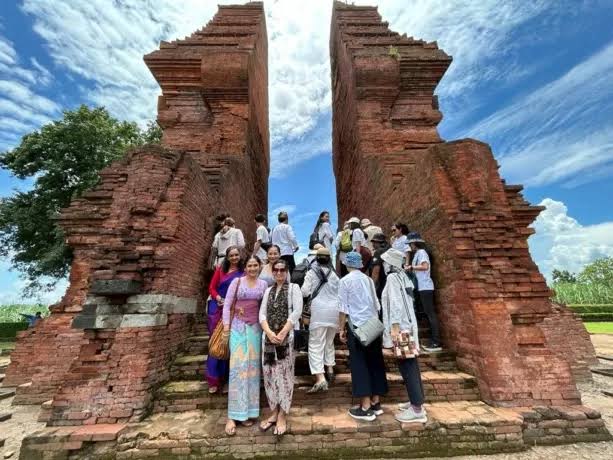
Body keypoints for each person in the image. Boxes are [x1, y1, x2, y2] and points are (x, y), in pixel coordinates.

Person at [338, 251, 388, 422]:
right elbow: (377, 303)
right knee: (375, 362)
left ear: (347, 265)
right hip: (372, 325)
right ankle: (376, 402)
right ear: (360, 265)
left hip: (357, 326)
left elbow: (344, 308)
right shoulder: (368, 279)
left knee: (359, 363)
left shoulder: (344, 281)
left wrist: (341, 328)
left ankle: (365, 407)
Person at [222, 255, 268, 436]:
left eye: (255, 265)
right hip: (237, 328)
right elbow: (227, 305)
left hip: (255, 329)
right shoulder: (237, 282)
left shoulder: (263, 284)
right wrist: (226, 327)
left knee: (252, 371)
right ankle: (232, 415)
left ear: (259, 266)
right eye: (249, 265)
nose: (252, 268)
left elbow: (264, 308)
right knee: (237, 370)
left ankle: (248, 412)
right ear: (245, 267)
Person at [380, 248, 427, 423]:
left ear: (390, 263)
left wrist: (393, 330)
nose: (383, 264)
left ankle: (417, 410)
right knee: (411, 366)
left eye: (385, 262)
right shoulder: (404, 277)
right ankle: (417, 402)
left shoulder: (392, 278)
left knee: (408, 368)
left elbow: (395, 304)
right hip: (408, 327)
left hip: (400, 329)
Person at [259, 259, 303, 436]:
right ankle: (274, 411)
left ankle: (283, 413)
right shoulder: (268, 291)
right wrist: (269, 332)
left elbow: (296, 312)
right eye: (275, 270)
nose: (278, 273)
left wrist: (283, 331)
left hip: (286, 338)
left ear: (287, 272)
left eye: (282, 270)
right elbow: (262, 314)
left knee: (284, 376)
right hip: (269, 339)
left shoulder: (294, 289)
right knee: (269, 375)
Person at [301, 247, 340, 393]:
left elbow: (305, 291)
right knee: (329, 342)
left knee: (316, 344)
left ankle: (321, 378)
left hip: (318, 311)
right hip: (334, 311)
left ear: (316, 259)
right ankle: (329, 368)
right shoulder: (334, 275)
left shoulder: (311, 273)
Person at [207, 246, 244, 393]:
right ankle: (214, 380)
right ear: (227, 257)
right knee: (216, 341)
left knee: (230, 343)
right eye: (231, 255)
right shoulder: (220, 270)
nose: (234, 258)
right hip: (216, 308)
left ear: (239, 257)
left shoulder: (242, 273)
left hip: (233, 309)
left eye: (236, 255)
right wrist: (218, 298)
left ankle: (228, 379)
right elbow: (211, 287)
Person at [407, 233, 442, 353]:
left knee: (430, 314)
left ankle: (436, 341)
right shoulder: (417, 253)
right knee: (428, 313)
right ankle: (434, 340)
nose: (410, 246)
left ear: (414, 243)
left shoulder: (421, 252)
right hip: (422, 287)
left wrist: (412, 267)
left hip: (426, 286)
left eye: (410, 243)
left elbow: (425, 266)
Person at [368, 233, 390, 300]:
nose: (373, 245)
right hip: (393, 282)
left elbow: (376, 272)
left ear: (378, 242)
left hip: (383, 283)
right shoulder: (391, 249)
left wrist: (372, 288)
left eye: (374, 242)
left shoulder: (378, 252)